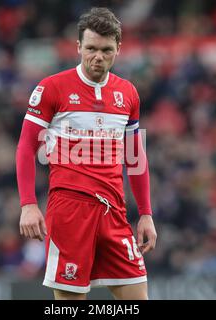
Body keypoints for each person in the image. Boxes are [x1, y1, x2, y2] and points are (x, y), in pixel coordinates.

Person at [16, 7, 157, 300]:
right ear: (78, 47)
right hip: (69, 212)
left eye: (106, 50)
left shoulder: (128, 94)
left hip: (115, 213)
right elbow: (26, 147)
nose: (98, 57)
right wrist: (28, 204)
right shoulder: (52, 88)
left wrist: (145, 214)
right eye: (91, 48)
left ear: (118, 49)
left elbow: (135, 158)